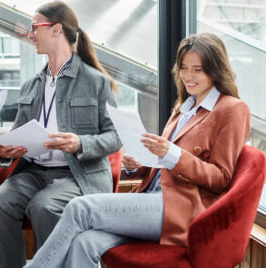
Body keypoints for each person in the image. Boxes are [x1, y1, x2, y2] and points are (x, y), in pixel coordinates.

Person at [24, 33, 251, 268]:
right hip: (151, 199)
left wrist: (171, 153)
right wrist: (140, 165)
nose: (188, 77)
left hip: (181, 209)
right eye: (183, 68)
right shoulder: (185, 106)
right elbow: (165, 164)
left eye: (198, 70)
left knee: (80, 207)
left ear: (215, 70)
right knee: (85, 241)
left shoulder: (232, 109)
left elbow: (221, 178)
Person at [0, 0, 121, 268]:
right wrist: (7, 153)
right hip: (33, 173)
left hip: (78, 175)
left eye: (36, 27)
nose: (31, 34)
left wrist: (80, 142)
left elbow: (115, 136)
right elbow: (18, 135)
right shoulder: (31, 85)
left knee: (44, 206)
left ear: (56, 30)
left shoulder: (95, 82)